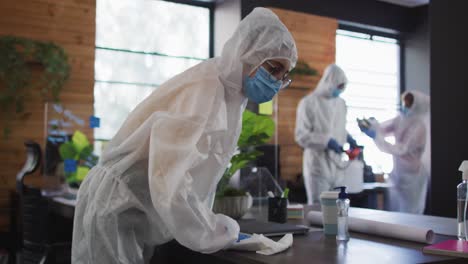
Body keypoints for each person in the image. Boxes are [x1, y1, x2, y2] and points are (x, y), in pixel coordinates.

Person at [71, 8, 297, 263]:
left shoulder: (227, 92)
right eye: (275, 68)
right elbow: (171, 179)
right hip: (117, 205)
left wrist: (211, 227)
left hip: (130, 207)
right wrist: (216, 233)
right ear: (249, 51)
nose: (277, 82)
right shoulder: (207, 90)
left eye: (284, 76)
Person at [294, 64, 358, 205]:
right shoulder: (308, 103)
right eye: (338, 86)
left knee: (338, 209)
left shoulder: (341, 103)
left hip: (337, 165)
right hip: (317, 165)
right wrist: (326, 141)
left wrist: (348, 138)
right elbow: (301, 135)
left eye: (342, 87)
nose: (339, 90)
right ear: (329, 81)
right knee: (318, 210)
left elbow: (338, 127)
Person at [360, 90, 430, 214]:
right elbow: (383, 128)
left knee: (411, 213)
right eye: (404, 102)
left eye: (408, 104)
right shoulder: (401, 119)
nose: (404, 106)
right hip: (399, 173)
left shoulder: (419, 126)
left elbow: (401, 149)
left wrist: (376, 136)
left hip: (412, 176)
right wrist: (371, 126)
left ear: (416, 106)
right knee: (397, 213)